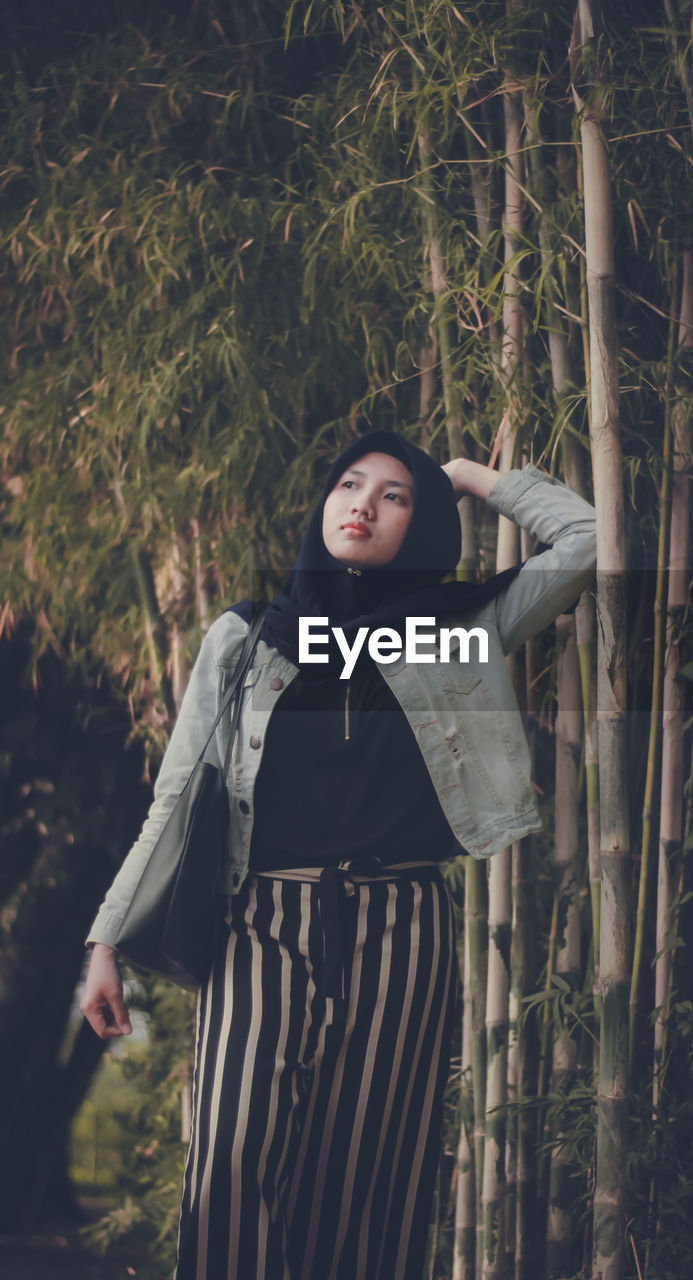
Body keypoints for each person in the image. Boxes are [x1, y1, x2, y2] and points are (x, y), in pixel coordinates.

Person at [81, 431, 596, 1280]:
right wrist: (106, 943)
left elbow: (588, 540)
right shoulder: (244, 639)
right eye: (349, 484)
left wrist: (466, 475)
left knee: (365, 1186)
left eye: (396, 495)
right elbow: (175, 798)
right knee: (229, 1159)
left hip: (403, 927)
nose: (361, 503)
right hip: (259, 925)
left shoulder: (459, 630)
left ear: (424, 521)